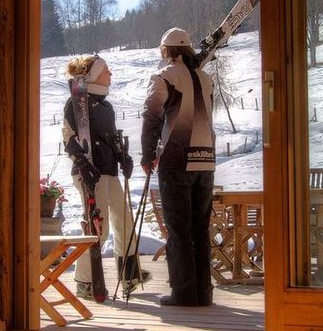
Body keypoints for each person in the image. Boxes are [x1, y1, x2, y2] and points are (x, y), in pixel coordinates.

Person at [62, 54, 150, 299]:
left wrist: (124, 157)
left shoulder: (106, 107)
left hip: (109, 170)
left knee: (124, 220)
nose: (110, 74)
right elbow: (68, 136)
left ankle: (129, 273)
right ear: (93, 75)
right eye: (106, 70)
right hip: (90, 172)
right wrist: (81, 162)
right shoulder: (76, 102)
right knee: (97, 227)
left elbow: (110, 139)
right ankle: (85, 281)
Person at [140, 27, 216, 307]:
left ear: (165, 51)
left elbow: (152, 117)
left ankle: (183, 293)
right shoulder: (206, 78)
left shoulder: (163, 78)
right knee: (200, 228)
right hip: (206, 160)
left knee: (179, 229)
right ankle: (204, 292)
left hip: (176, 160)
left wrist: (147, 156)